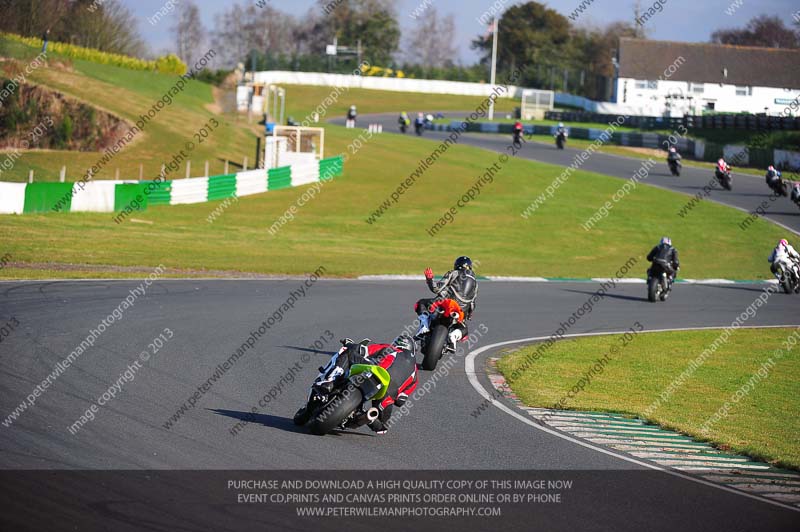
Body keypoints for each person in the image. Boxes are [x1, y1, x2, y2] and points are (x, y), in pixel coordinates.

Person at [302, 336, 418, 435]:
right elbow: (400, 401)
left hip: (375, 370)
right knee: (381, 424)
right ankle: (366, 417)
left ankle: (330, 381)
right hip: (387, 395)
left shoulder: (391, 348)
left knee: (348, 353)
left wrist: (350, 344)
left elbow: (363, 350)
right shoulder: (415, 375)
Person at [415, 256, 478, 345]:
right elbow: (472, 304)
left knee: (421, 303)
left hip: (445, 303)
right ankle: (454, 336)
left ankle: (424, 327)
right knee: (464, 329)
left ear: (456, 265)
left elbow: (436, 289)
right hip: (461, 311)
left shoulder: (454, 273)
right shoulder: (475, 283)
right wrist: (468, 316)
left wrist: (430, 280)